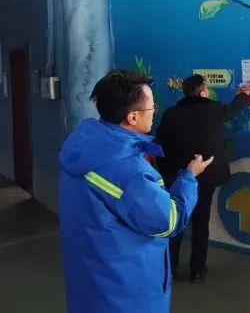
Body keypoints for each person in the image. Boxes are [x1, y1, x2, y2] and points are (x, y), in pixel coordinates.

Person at [58, 70, 213, 313]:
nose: (155, 112)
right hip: (127, 294)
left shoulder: (86, 145)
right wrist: (189, 177)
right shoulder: (127, 170)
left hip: (92, 283)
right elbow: (169, 220)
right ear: (132, 117)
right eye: (152, 108)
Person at [156, 74, 250, 283]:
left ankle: (170, 270)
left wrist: (168, 174)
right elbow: (234, 108)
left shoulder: (171, 114)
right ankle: (197, 271)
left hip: (178, 178)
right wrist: (244, 94)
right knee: (201, 222)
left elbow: (160, 146)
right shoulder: (214, 109)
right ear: (202, 92)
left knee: (175, 222)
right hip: (207, 178)